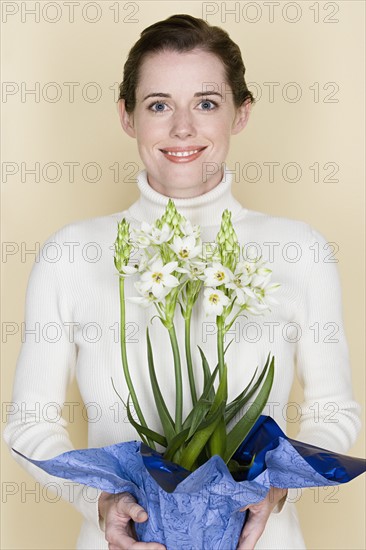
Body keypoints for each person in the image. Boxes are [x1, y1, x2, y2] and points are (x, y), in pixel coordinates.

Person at [4, 14, 361, 550]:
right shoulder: (71, 253)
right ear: (127, 116)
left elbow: (334, 411)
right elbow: (30, 422)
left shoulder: (300, 250)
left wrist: (275, 492)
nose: (183, 129)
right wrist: (100, 502)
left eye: (207, 103)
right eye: (158, 104)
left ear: (241, 113)